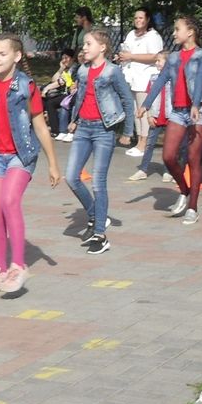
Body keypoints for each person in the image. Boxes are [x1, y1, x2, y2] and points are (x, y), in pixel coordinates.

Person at [0, 33, 62, 292]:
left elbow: (41, 126)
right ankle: (0, 269)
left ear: (17, 56)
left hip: (21, 155)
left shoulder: (26, 85)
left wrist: (53, 163)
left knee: (10, 202)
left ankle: (19, 265)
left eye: (2, 54)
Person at [63, 30, 134, 253]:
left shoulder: (113, 72)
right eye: (84, 44)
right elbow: (81, 97)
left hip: (104, 130)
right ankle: (96, 214)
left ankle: (100, 235)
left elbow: (127, 100)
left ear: (102, 47)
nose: (84, 48)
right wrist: (74, 120)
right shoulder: (83, 71)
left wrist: (127, 131)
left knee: (98, 182)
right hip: (83, 127)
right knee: (71, 177)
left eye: (88, 44)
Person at [138, 15, 202, 226]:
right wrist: (146, 104)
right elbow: (161, 80)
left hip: (198, 110)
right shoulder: (174, 57)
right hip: (178, 112)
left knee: (193, 158)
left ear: (190, 32)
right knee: (169, 156)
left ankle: (193, 207)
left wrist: (196, 104)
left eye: (177, 29)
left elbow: (199, 82)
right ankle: (185, 190)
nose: (173, 33)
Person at [117, 8, 163, 159]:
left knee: (143, 110)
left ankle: (144, 141)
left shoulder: (153, 36)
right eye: (135, 18)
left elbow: (155, 56)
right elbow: (127, 51)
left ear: (148, 19)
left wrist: (132, 56)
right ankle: (138, 139)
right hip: (131, 76)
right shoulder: (131, 34)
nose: (137, 20)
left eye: (141, 18)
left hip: (145, 76)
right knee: (135, 110)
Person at [129, 52, 170, 182]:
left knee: (169, 145)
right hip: (156, 115)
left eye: (159, 61)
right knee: (150, 143)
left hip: (170, 116)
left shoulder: (174, 78)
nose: (157, 63)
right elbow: (150, 96)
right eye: (156, 61)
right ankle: (143, 169)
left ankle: (168, 171)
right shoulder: (153, 78)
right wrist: (149, 115)